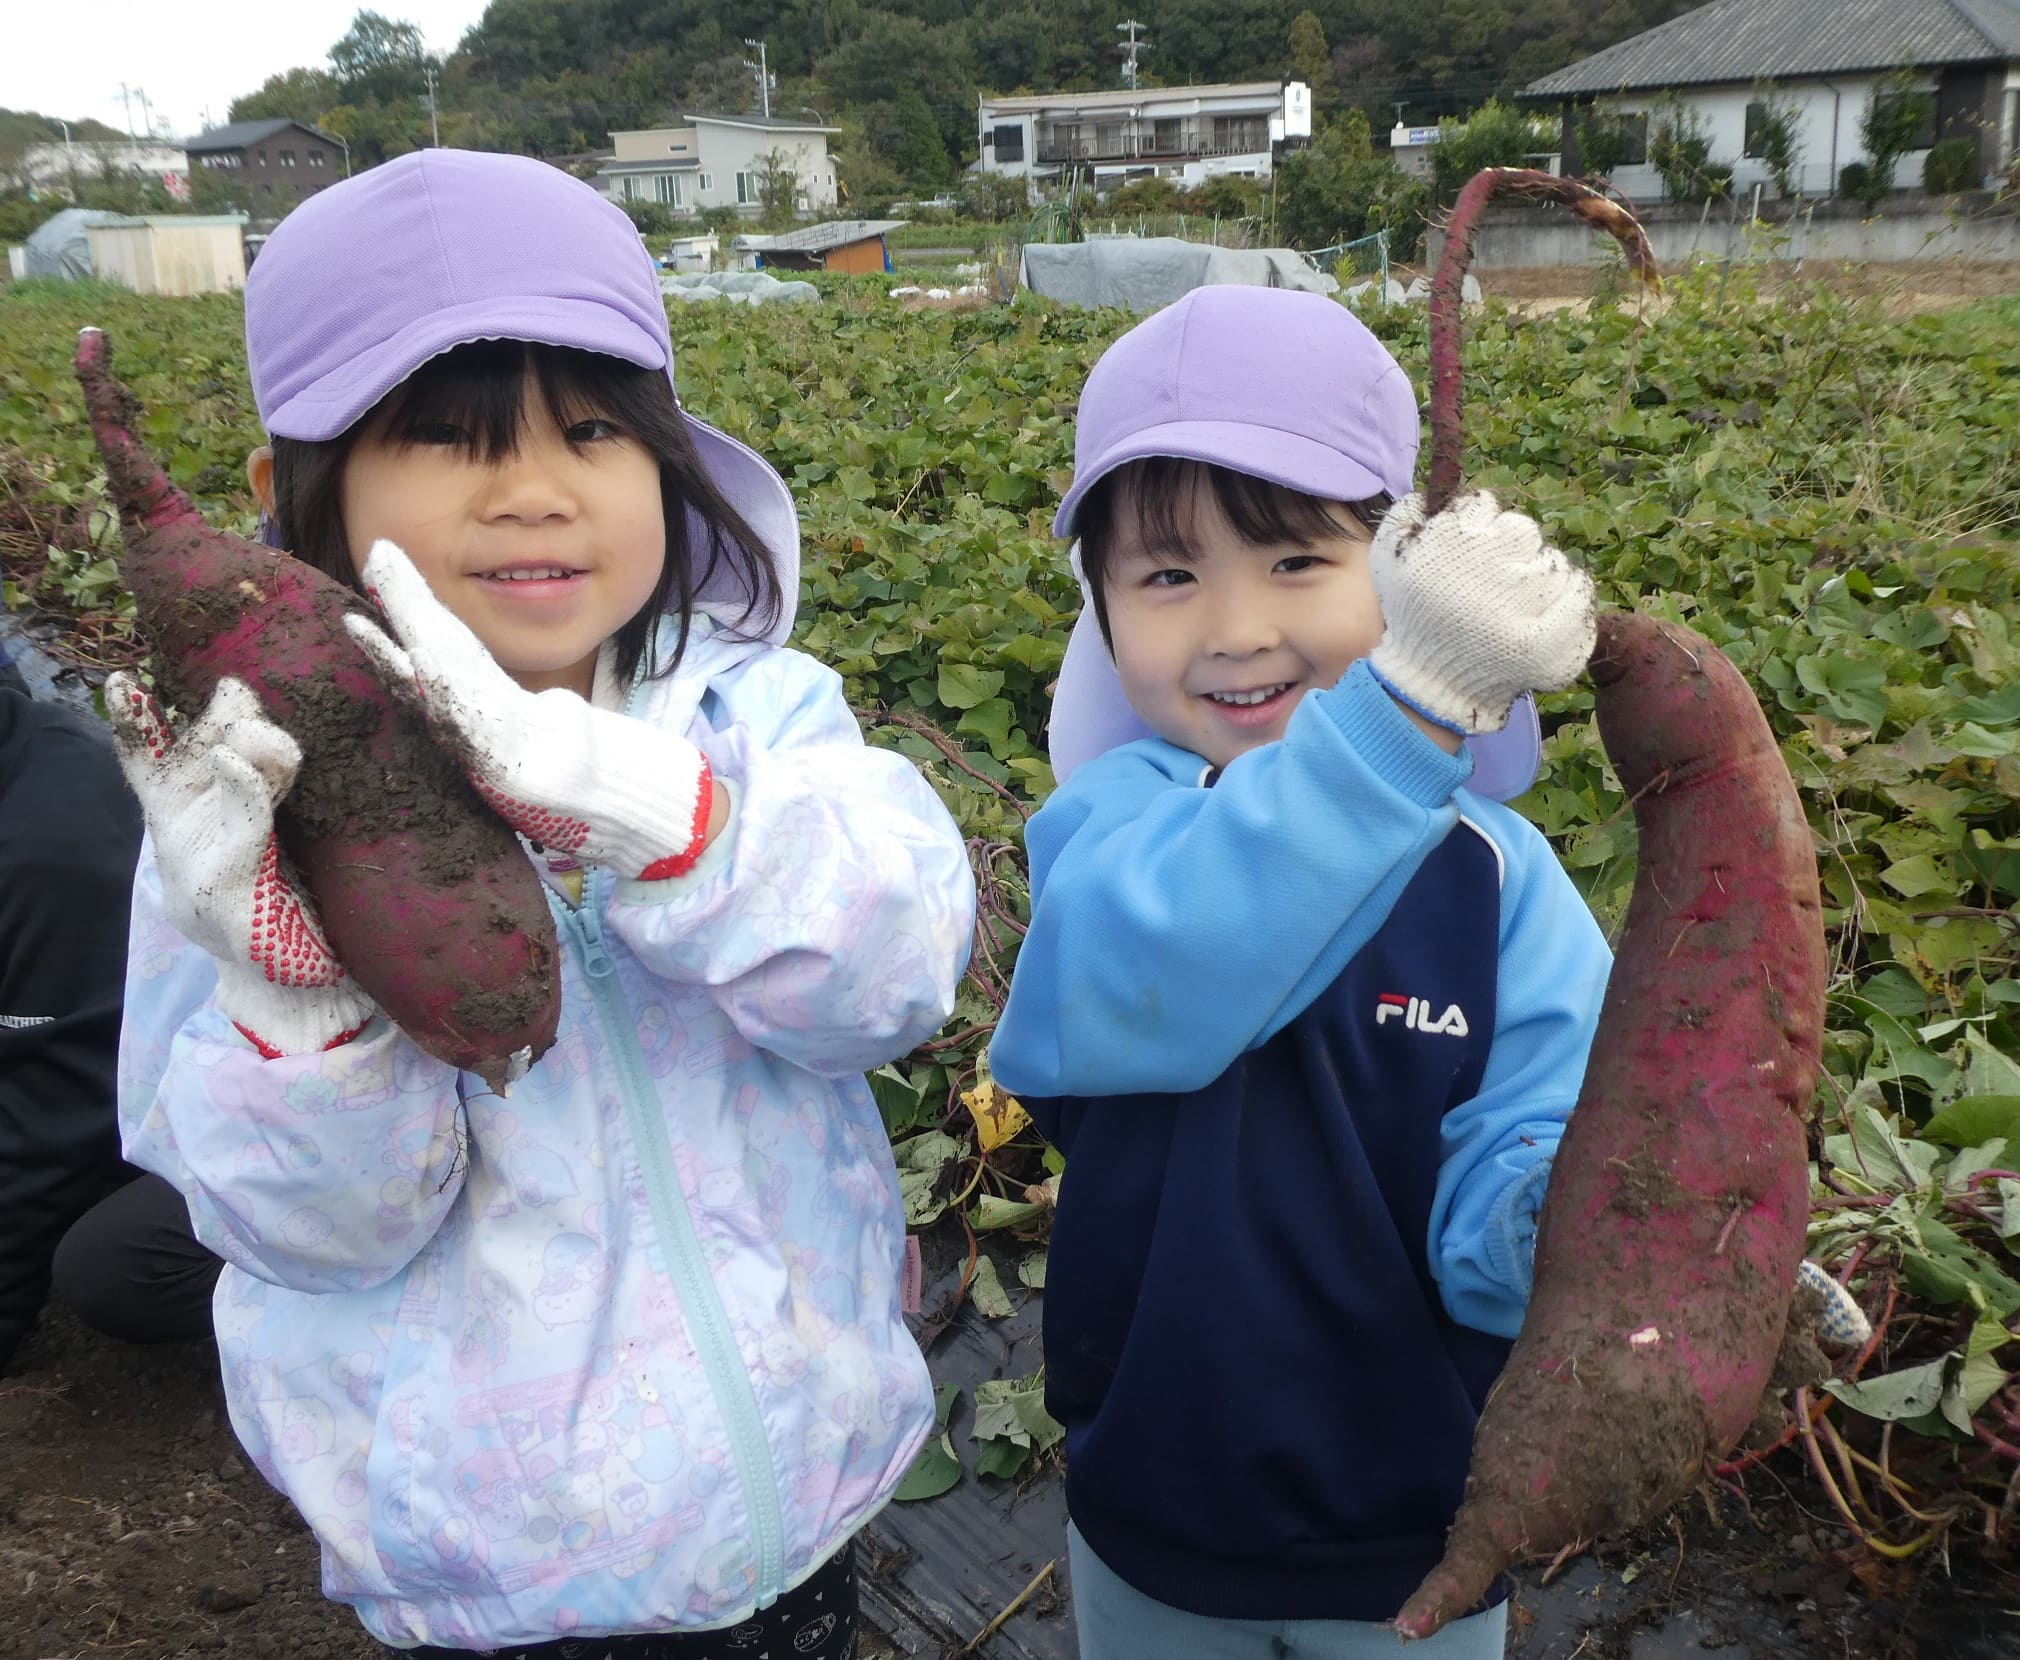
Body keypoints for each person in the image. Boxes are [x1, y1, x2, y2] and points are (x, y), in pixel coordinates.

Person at [111, 148, 975, 1658]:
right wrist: (301, 1006)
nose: (534, 488)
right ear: (292, 495)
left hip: (801, 1493)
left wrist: (663, 819)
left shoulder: (752, 721)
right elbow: (312, 1237)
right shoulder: (242, 831)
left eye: (591, 427)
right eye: (450, 441)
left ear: (662, 453)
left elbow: (893, 983)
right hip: (496, 1577)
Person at [987, 286, 1611, 1660]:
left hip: (1428, 1526)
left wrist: (1580, 1220)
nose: (1234, 627)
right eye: (1165, 575)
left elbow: (1520, 1164)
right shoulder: (1111, 835)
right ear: (1098, 612)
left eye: (1293, 563)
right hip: (1158, 1499)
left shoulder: (1500, 883)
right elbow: (1151, 984)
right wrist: (1401, 722)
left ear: (1400, 574)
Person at [0, 655, 219, 1375]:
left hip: (250, 1093)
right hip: (70, 1036)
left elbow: (46, 1125)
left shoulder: (47, 851)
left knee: (114, 1268)